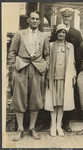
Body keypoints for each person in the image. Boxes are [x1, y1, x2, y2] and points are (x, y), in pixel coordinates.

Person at [38, 7, 83, 132]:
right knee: (52, 100)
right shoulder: (53, 42)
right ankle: (52, 124)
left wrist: (75, 73)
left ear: (71, 18)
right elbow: (48, 55)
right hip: (53, 73)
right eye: (65, 17)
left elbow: (79, 53)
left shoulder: (76, 33)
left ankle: (65, 124)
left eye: (69, 17)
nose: (67, 18)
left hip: (68, 72)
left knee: (65, 100)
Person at [8, 11, 50, 141]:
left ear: (39, 21)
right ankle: (20, 129)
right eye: (33, 18)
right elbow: (12, 52)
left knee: (35, 99)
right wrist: (13, 67)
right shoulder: (20, 34)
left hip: (37, 69)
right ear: (28, 20)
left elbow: (47, 55)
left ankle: (32, 128)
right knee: (19, 99)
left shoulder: (44, 36)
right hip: (21, 69)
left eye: (37, 19)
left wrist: (45, 66)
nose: (35, 21)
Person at [44, 24, 76, 136]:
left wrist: (73, 75)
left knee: (61, 103)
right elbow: (47, 60)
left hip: (65, 78)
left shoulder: (70, 46)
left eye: (63, 32)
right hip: (53, 78)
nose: (61, 34)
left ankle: (59, 126)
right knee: (53, 102)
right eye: (59, 32)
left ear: (66, 34)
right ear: (56, 34)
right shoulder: (51, 45)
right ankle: (53, 125)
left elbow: (73, 62)